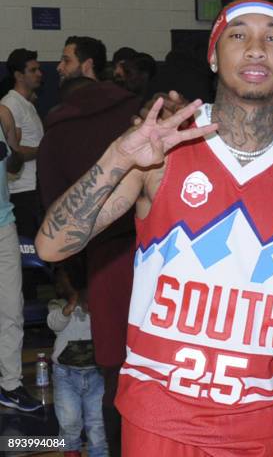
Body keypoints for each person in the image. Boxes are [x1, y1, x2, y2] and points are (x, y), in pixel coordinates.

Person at [36, 0, 273, 456]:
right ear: (214, 56)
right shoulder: (164, 149)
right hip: (161, 421)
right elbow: (52, 246)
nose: (257, 49)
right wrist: (118, 157)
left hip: (263, 426)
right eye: (239, 35)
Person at [39, 44, 141, 456]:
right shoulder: (136, 111)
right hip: (161, 251)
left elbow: (52, 210)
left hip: (102, 260)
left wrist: (70, 278)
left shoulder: (59, 131)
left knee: (114, 373)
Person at [0, 104, 41, 412]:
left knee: (12, 309)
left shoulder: (2, 112)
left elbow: (13, 167)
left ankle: (10, 384)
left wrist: (11, 146)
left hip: (4, 224)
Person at [48, 267, 108, 457]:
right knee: (69, 421)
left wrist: (96, 308)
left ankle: (99, 453)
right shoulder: (57, 305)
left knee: (97, 423)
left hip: (95, 374)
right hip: (65, 375)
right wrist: (69, 307)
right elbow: (53, 323)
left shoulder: (97, 306)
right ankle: (71, 451)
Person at [1, 48, 44, 239]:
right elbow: (13, 152)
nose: (39, 74)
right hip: (21, 190)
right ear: (19, 75)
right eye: (33, 70)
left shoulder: (26, 104)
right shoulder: (11, 104)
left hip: (32, 187)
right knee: (28, 251)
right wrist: (44, 150)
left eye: (39, 69)